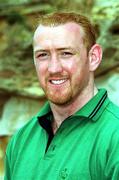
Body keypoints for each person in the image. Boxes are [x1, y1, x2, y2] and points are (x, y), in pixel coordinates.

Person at [4, 12, 119, 180]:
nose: (54, 68)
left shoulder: (114, 136)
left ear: (93, 57)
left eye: (66, 53)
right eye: (43, 54)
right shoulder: (21, 141)